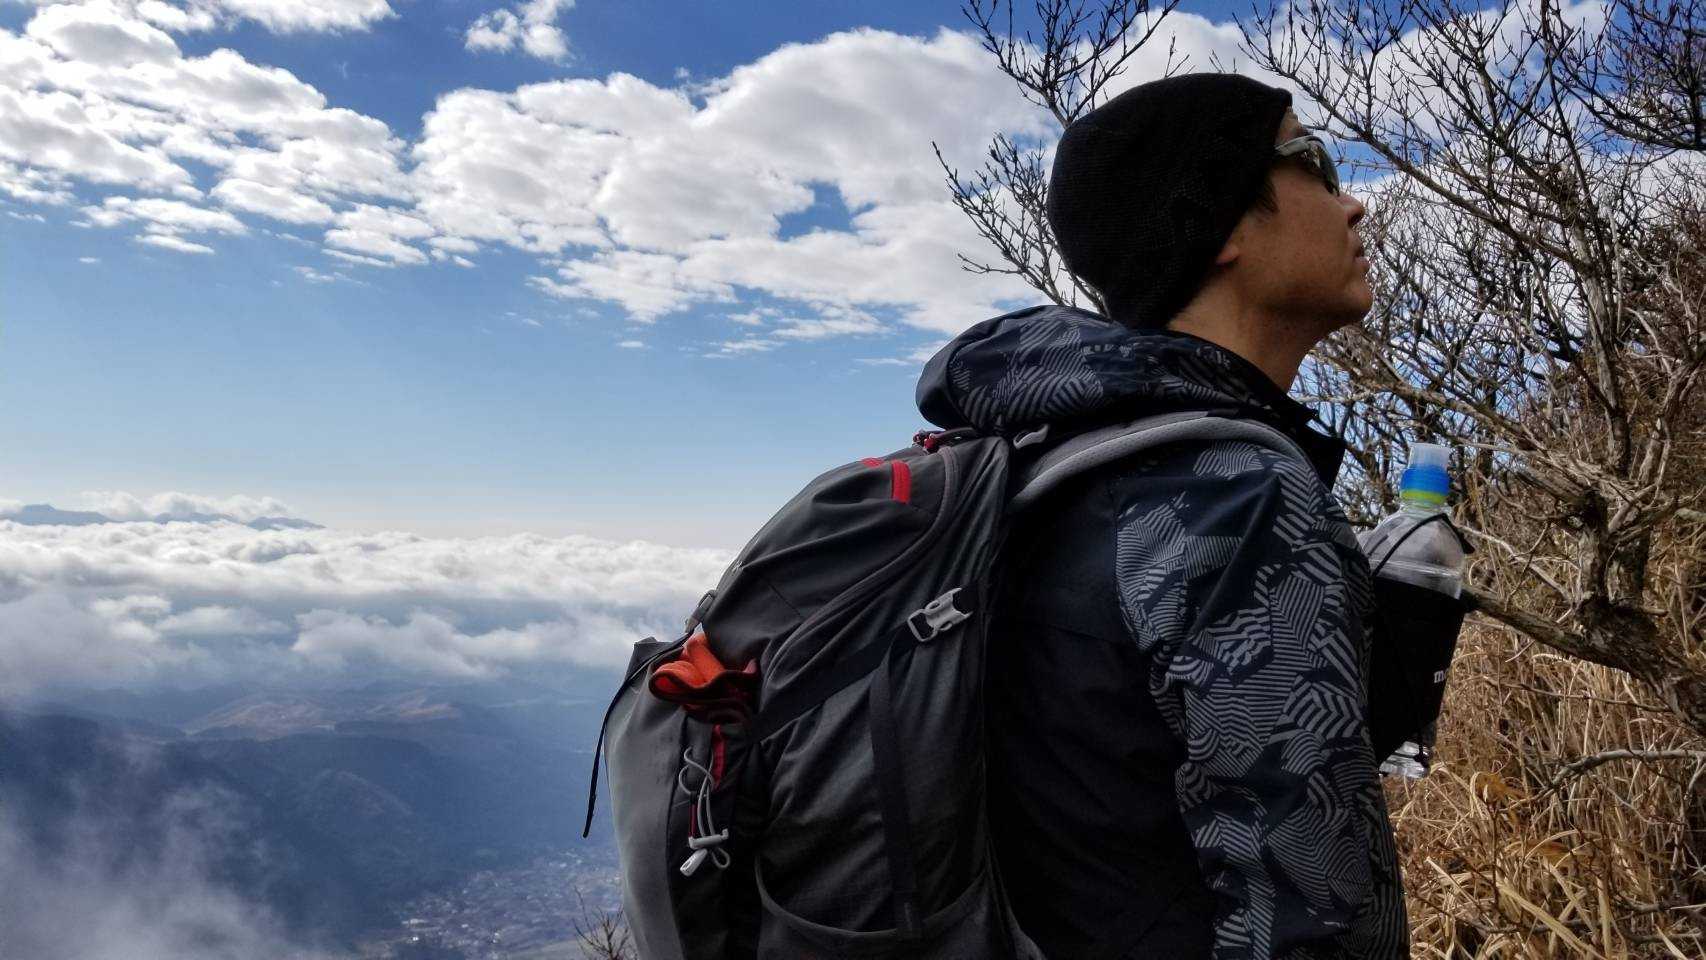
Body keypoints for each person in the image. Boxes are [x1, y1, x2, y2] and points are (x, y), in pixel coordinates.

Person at [914, 73, 1406, 958]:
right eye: (1316, 164)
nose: (1354, 203)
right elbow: (1317, 918)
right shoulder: (1233, 491)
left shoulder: (1050, 456)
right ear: (1221, 223)